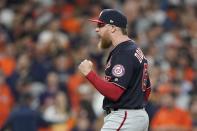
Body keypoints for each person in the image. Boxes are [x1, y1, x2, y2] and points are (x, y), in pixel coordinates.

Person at [78, 9, 151, 131]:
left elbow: (114, 92)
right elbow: (147, 89)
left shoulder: (124, 52)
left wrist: (89, 74)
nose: (97, 29)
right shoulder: (133, 49)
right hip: (135, 116)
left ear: (113, 28)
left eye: (101, 25)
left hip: (125, 117)